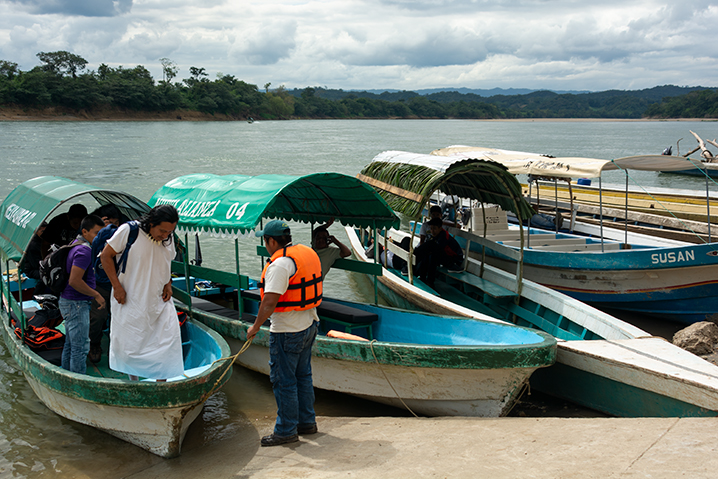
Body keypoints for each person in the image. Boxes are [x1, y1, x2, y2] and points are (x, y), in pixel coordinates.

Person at [247, 220, 322, 447]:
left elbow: (269, 302)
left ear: (271, 241)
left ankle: (286, 430)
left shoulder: (279, 265)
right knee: (303, 376)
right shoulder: (305, 253)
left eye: (265, 241)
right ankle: (306, 422)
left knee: (284, 381)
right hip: (309, 324)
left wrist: (256, 326)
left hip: (287, 331)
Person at [100, 204, 183, 381]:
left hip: (160, 299)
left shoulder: (167, 238)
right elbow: (105, 256)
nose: (165, 235)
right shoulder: (129, 231)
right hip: (131, 298)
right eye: (162, 230)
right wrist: (117, 287)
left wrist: (168, 283)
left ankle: (162, 385)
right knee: (131, 345)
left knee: (168, 343)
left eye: (170, 231)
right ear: (151, 222)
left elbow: (167, 261)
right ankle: (134, 383)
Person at [58, 215, 106, 374]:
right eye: (96, 233)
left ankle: (66, 377)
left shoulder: (75, 244)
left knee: (71, 345)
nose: (99, 236)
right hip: (76, 303)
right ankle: (77, 383)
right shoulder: (84, 250)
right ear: (84, 231)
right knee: (80, 348)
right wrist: (96, 295)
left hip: (69, 301)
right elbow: (74, 281)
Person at [87, 204, 124, 363]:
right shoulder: (93, 235)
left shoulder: (124, 233)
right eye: (107, 222)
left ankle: (120, 345)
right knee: (98, 316)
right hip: (99, 283)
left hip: (120, 282)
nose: (111, 226)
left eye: (114, 222)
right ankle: (94, 344)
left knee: (121, 315)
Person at [414, 218, 464, 287]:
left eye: (434, 228)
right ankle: (422, 276)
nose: (432, 231)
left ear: (440, 228)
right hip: (447, 257)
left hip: (455, 260)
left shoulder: (443, 236)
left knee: (432, 253)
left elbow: (438, 250)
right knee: (428, 252)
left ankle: (430, 281)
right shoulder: (436, 236)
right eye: (431, 229)